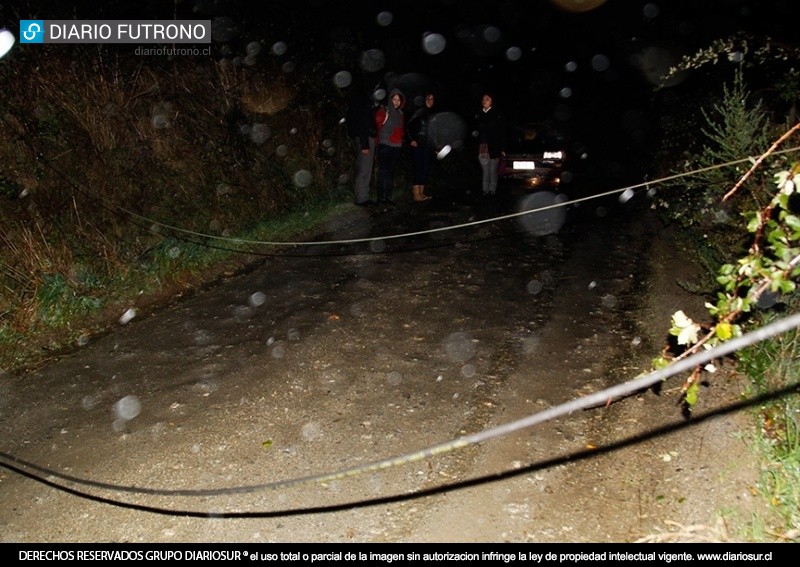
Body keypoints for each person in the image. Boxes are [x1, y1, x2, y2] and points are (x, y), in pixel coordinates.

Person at [346, 82, 378, 206]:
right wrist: (365, 144)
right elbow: (362, 123)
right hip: (365, 138)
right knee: (364, 168)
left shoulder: (362, 100)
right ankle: (361, 198)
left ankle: (364, 196)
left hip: (366, 137)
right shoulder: (362, 101)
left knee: (366, 168)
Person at [374, 88, 406, 205]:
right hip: (385, 144)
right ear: (390, 99)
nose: (396, 102)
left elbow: (402, 129)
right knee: (383, 171)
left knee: (391, 172)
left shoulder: (401, 114)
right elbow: (377, 124)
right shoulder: (384, 110)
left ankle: (388, 196)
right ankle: (381, 197)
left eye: (399, 100)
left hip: (396, 146)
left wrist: (400, 137)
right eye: (394, 99)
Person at [475, 92, 506, 197]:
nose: (484, 101)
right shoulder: (478, 114)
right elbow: (475, 132)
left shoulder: (497, 114)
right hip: (483, 146)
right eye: (483, 99)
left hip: (494, 146)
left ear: (492, 101)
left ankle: (492, 190)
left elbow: (502, 132)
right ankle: (485, 190)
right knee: (485, 170)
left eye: (487, 99)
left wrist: (502, 148)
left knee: (493, 170)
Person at [406, 92, 435, 202]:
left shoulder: (432, 114)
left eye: (432, 98)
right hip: (417, 143)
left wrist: (436, 146)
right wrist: (411, 139)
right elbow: (408, 126)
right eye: (428, 98)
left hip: (427, 145)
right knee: (418, 167)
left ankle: (421, 193)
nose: (429, 100)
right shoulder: (419, 111)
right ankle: (415, 193)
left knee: (425, 168)